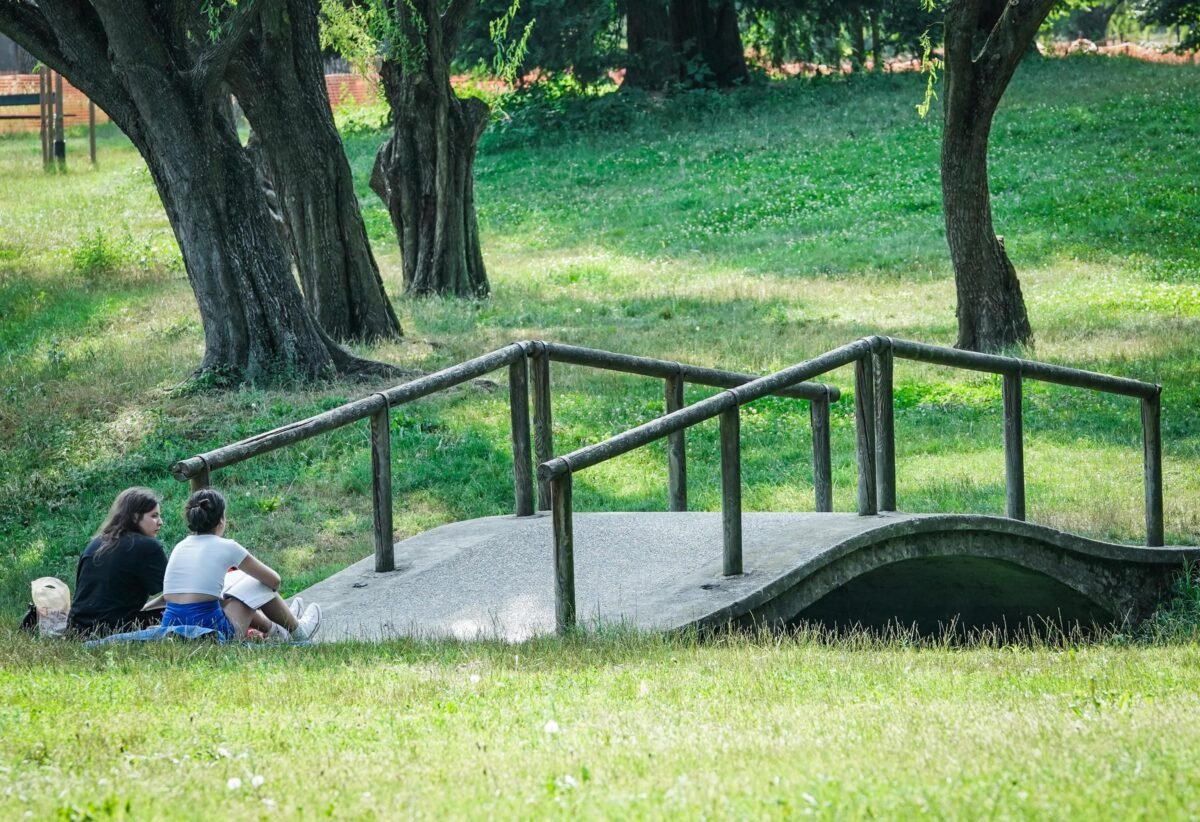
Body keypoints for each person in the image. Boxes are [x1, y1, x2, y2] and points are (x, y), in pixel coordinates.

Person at [162, 489, 320, 641]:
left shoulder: (180, 546)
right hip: (213, 635)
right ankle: (299, 632)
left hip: (171, 630)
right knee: (255, 583)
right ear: (221, 520)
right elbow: (274, 581)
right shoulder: (227, 546)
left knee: (227, 594)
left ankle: (279, 630)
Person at [68, 487, 169, 637]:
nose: (160, 522)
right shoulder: (147, 546)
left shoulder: (96, 543)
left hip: (76, 628)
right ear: (135, 517)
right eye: (154, 516)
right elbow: (175, 593)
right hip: (116, 628)